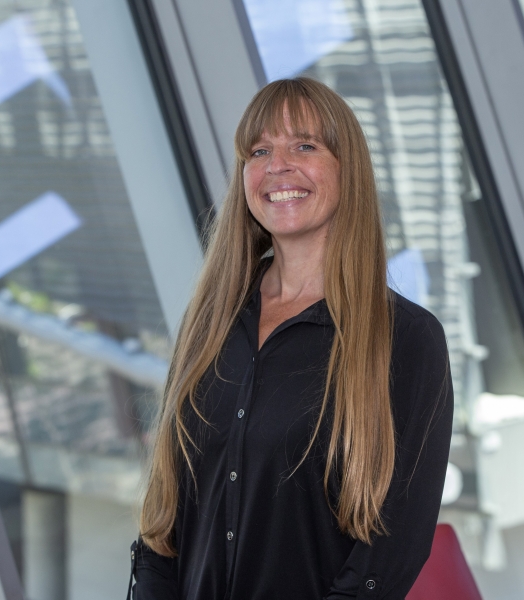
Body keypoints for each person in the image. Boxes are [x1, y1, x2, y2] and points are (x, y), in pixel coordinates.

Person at [129, 77, 453, 600]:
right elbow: (166, 518)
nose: (277, 165)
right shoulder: (209, 322)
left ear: (347, 170)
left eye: (304, 144)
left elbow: (390, 553)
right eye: (260, 150)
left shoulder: (408, 339)